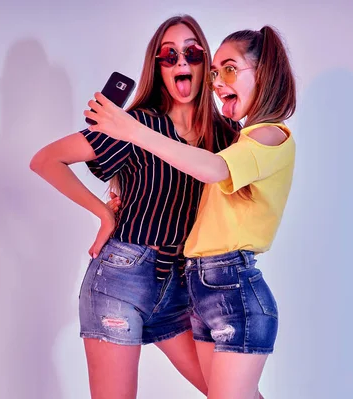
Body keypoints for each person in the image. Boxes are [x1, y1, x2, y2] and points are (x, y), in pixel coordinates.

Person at [29, 15, 240, 399]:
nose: (181, 62)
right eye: (169, 55)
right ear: (157, 68)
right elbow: (46, 160)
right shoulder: (137, 124)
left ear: (206, 65)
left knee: (236, 393)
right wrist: (104, 212)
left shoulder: (228, 137)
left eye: (192, 53)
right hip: (120, 279)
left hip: (184, 286)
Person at [84, 25, 296, 399]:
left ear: (263, 74)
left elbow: (212, 169)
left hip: (233, 288)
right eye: (215, 72)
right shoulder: (239, 138)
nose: (217, 81)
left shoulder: (270, 136)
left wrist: (133, 130)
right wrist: (109, 209)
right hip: (196, 291)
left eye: (228, 69)